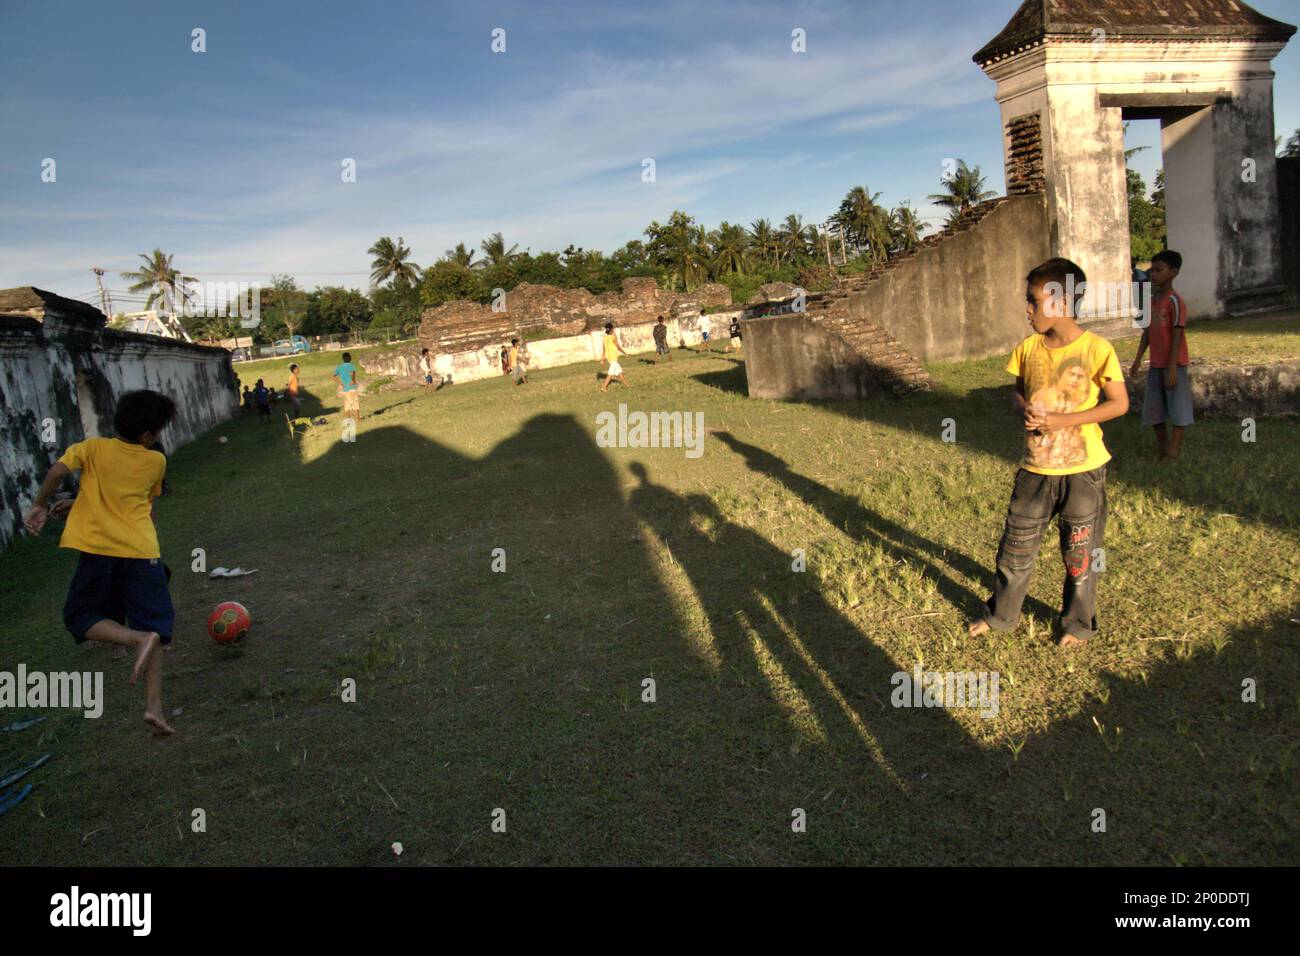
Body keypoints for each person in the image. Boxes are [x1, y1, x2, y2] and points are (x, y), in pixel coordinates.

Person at [968, 258, 1128, 649]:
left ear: (1060, 302)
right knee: (1015, 548)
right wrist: (1025, 409)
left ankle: (1077, 624)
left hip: (1083, 471)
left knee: (1080, 553)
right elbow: (1018, 392)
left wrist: (1063, 420)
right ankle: (1002, 615)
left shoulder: (1097, 349)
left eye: (1033, 301)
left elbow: (1119, 404)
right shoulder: (1027, 348)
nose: (1027, 309)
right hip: (1036, 469)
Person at [22, 390, 180, 736]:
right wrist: (80, 503)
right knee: (157, 630)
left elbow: (56, 473)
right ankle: (154, 708)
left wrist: (40, 504)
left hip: (101, 553)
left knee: (79, 616)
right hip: (142, 553)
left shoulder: (91, 448)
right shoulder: (156, 461)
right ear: (147, 436)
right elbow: (130, 498)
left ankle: (133, 639)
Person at [1129, 249, 1193, 461]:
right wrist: (1138, 359)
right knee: (1153, 408)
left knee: (1178, 407)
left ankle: (1174, 449)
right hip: (1155, 364)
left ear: (1173, 272)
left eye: (1159, 270)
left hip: (1174, 364)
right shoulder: (1151, 300)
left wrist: (1173, 367)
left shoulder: (1175, 301)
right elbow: (1147, 332)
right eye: (1152, 270)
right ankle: (1164, 446)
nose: (1154, 275)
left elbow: (1177, 334)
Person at [599, 322, 629, 392]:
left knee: (619, 372)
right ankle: (603, 387)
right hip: (613, 358)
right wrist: (625, 353)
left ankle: (627, 385)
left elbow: (604, 351)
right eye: (613, 328)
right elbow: (618, 347)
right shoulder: (613, 337)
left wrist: (603, 359)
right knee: (610, 374)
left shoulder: (605, 339)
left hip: (609, 358)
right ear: (612, 329)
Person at [333, 351, 360, 423]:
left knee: (347, 405)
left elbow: (333, 376)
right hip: (353, 388)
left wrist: (341, 383)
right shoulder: (352, 365)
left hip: (345, 389)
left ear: (343, 359)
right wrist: (353, 380)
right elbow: (352, 373)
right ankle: (357, 419)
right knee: (355, 404)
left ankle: (349, 420)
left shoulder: (339, 367)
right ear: (350, 358)